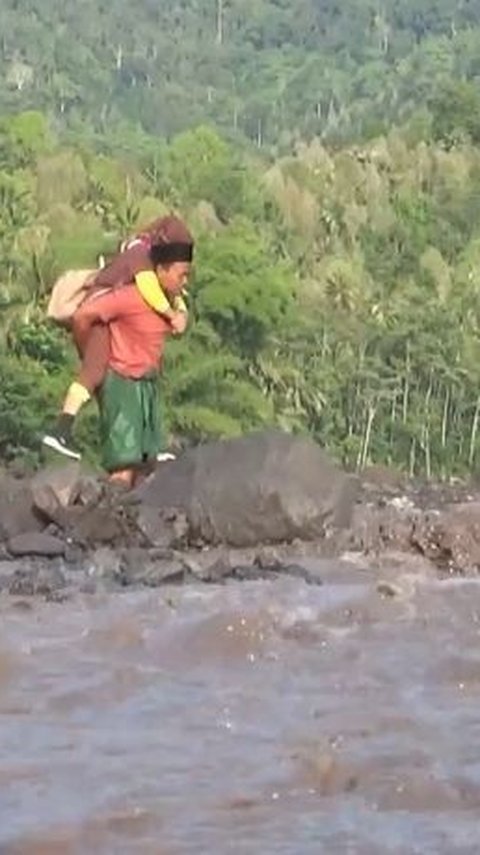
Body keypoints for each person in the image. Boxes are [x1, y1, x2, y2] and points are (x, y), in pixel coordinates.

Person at [42, 215, 194, 459]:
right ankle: (61, 429)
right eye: (182, 273)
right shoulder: (139, 256)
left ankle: (149, 446)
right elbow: (149, 288)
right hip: (101, 311)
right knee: (93, 372)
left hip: (111, 317)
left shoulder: (154, 263)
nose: (185, 280)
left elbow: (173, 292)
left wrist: (181, 313)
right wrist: (170, 314)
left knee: (113, 383)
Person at [71, 241, 192, 488]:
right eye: (182, 275)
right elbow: (83, 315)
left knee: (147, 465)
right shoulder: (129, 296)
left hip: (148, 385)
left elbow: (179, 318)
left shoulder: (166, 304)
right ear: (161, 270)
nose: (185, 281)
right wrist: (90, 353)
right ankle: (109, 517)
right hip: (121, 384)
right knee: (123, 465)